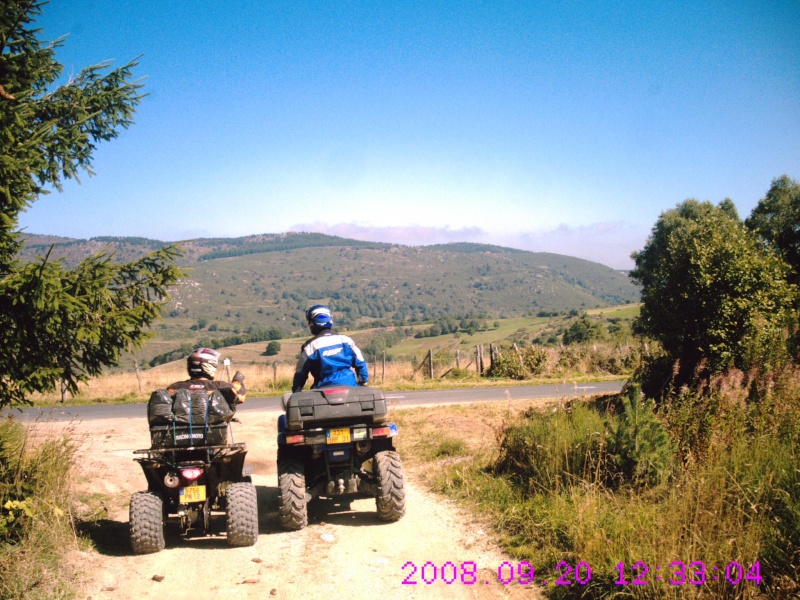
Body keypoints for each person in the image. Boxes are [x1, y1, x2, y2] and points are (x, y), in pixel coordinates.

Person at [292, 304, 368, 393]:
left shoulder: (309, 346)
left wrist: (296, 391)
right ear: (330, 320)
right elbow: (361, 363)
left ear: (311, 323)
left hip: (321, 390)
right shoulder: (346, 340)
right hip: (350, 387)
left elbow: (301, 373)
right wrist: (363, 382)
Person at [167, 347, 247, 407]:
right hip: (213, 427)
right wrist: (237, 381)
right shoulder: (221, 386)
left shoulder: (175, 387)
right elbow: (240, 398)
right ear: (210, 366)